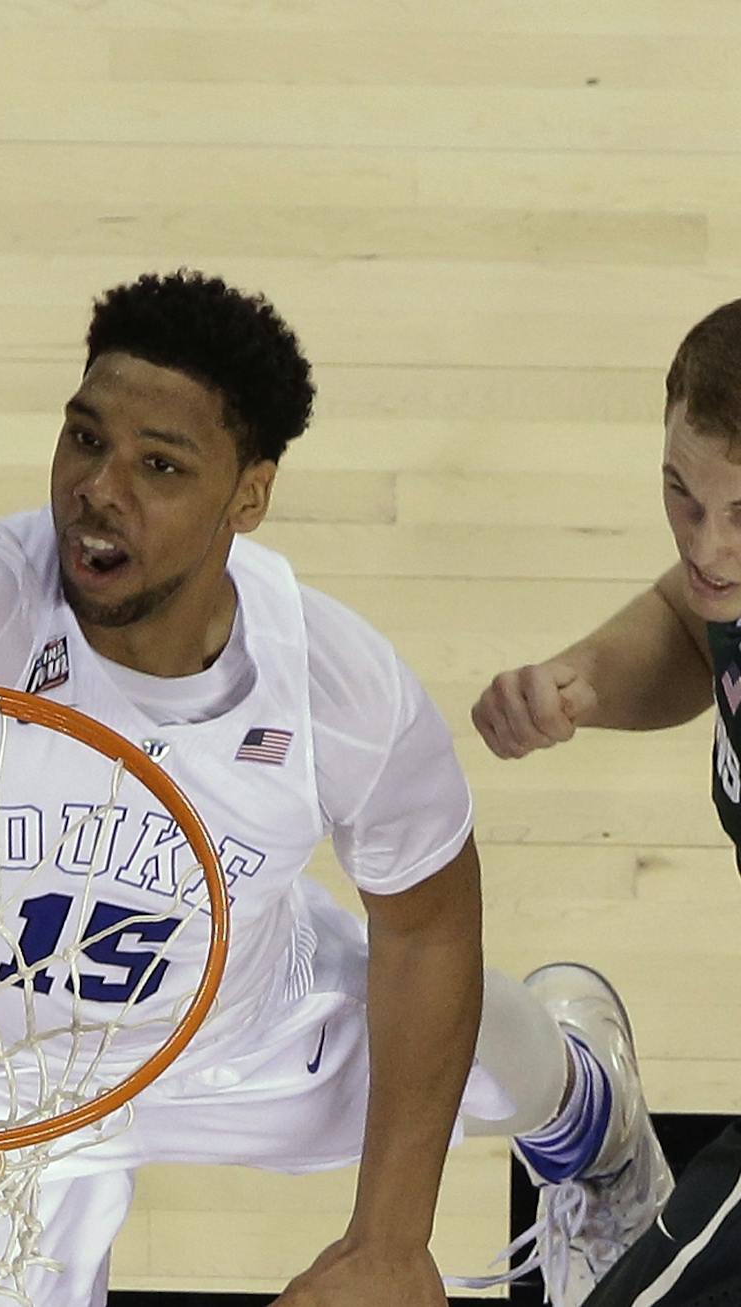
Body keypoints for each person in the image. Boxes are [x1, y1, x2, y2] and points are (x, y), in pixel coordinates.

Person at [0, 270, 671, 1306]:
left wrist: (385, 1240)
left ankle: (593, 1120)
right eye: (86, 438)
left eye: (159, 464)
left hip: (233, 1033)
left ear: (248, 495)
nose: (100, 487)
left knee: (489, 1046)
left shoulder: (333, 683)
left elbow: (426, 921)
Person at [473, 299, 741, 1306]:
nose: (704, 545)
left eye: (739, 513)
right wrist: (578, 680)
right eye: (679, 491)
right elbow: (687, 619)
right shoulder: (724, 579)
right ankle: (608, 1150)